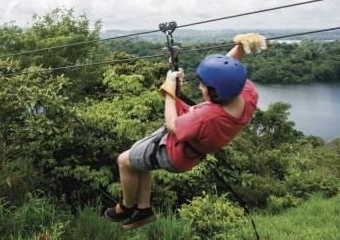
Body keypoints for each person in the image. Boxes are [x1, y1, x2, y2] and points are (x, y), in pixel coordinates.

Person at [104, 33, 267, 230]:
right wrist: (241, 48)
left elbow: (172, 124)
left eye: (202, 85)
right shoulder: (247, 96)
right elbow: (229, 68)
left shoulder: (208, 116)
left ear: (215, 92)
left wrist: (169, 91)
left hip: (174, 152)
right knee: (139, 162)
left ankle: (127, 206)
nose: (199, 87)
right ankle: (144, 209)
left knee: (124, 161)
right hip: (189, 150)